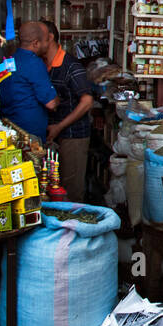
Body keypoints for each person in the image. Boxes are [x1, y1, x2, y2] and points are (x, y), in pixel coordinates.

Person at [35, 20, 97, 203]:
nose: (35, 42)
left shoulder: (71, 66)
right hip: (54, 134)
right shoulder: (42, 65)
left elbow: (87, 102)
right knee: (53, 187)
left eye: (39, 37)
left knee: (71, 190)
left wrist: (59, 126)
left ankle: (74, 228)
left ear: (50, 38)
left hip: (73, 136)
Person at [0, 22, 58, 142]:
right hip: (29, 135)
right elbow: (51, 103)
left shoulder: (8, 62)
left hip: (8, 129)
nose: (48, 44)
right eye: (46, 40)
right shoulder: (35, 63)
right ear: (36, 43)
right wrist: (57, 100)